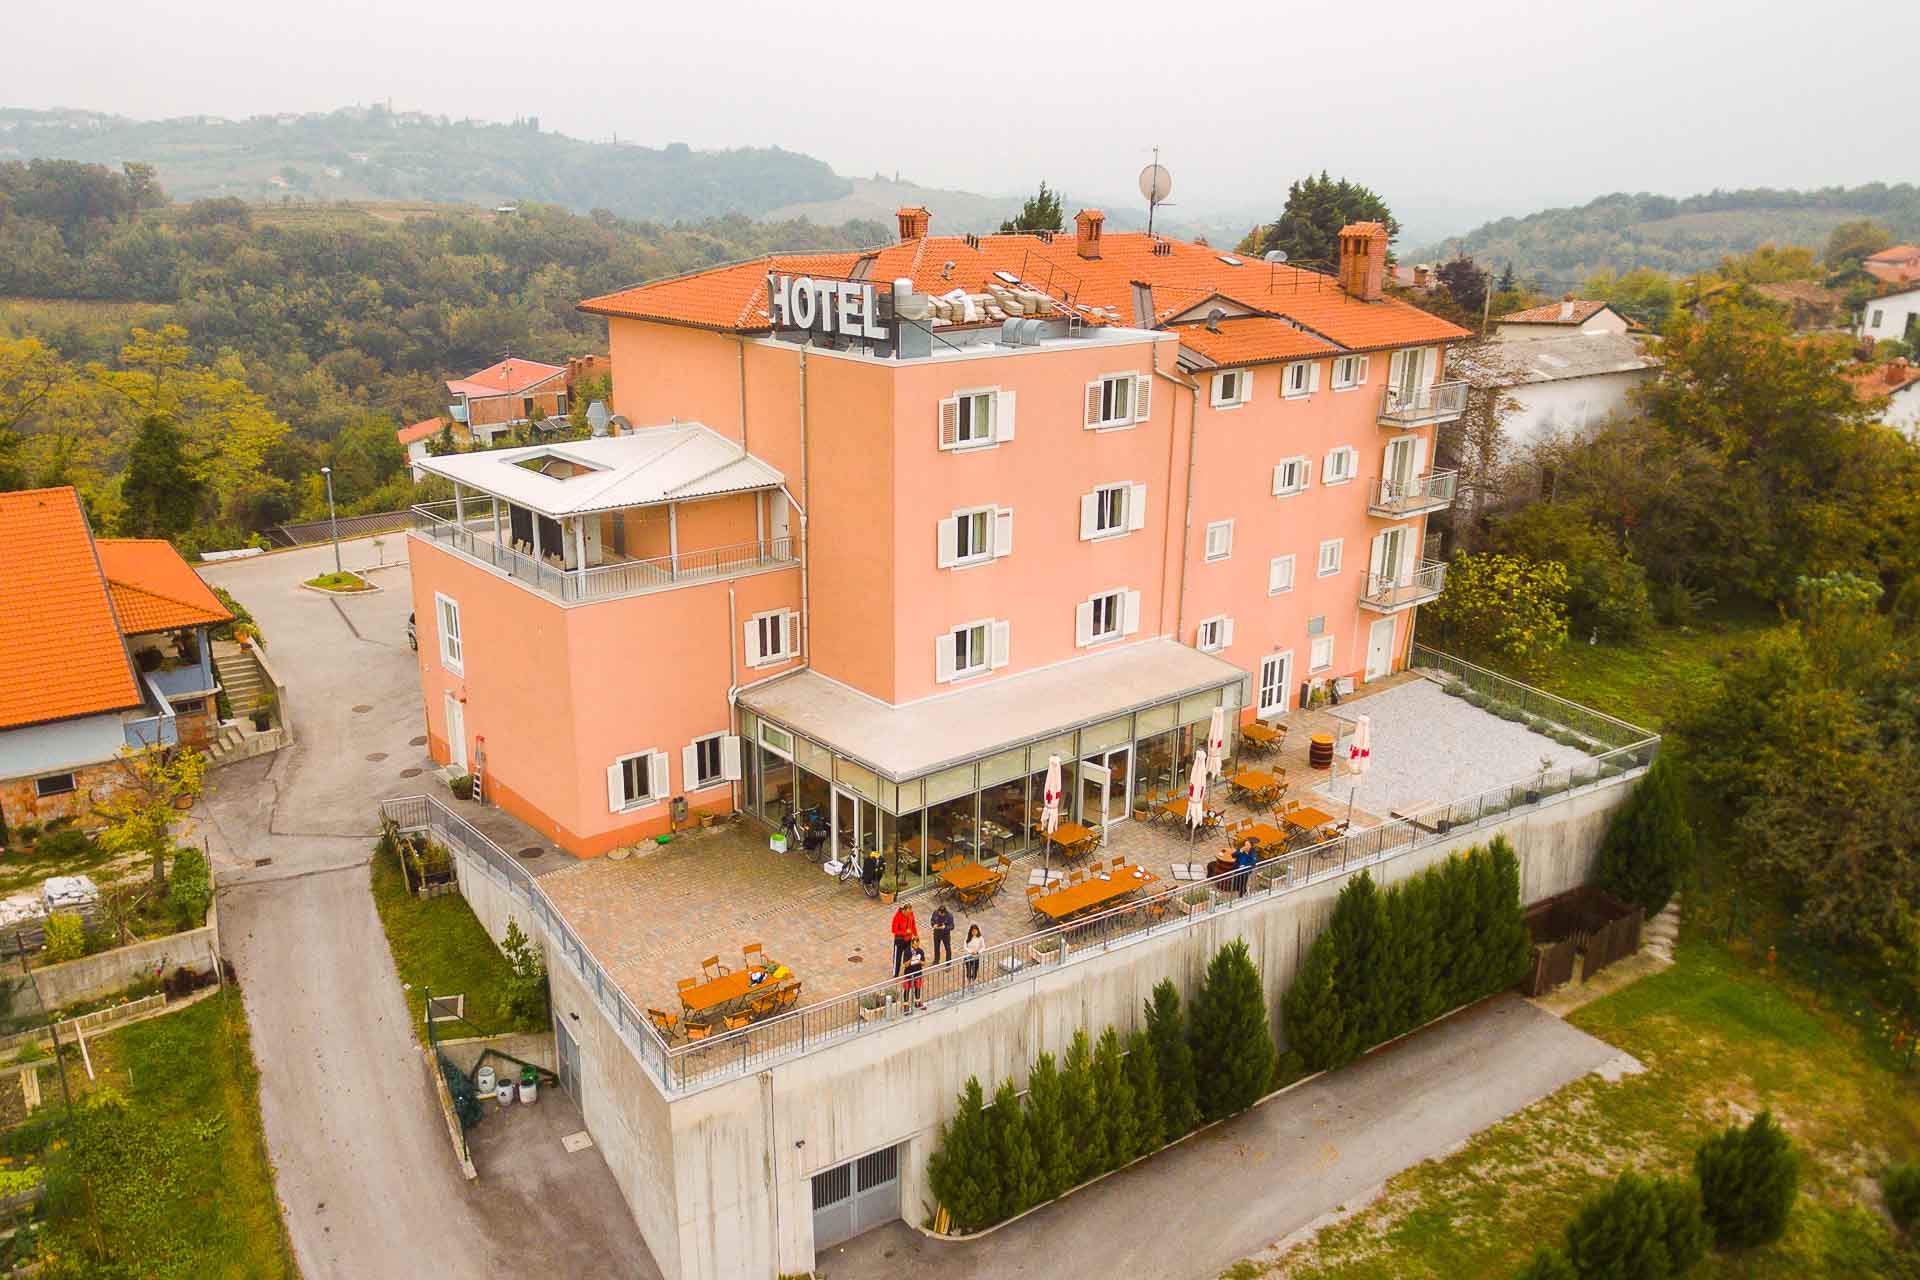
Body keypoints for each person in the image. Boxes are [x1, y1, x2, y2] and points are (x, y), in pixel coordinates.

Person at [890, 903, 918, 976]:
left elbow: (913, 924)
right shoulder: (897, 916)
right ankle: (895, 973)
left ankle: (908, 972)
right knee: (897, 958)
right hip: (899, 941)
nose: (909, 914)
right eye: (908, 913)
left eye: (910, 912)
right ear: (904, 911)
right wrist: (905, 932)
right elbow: (894, 930)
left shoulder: (911, 914)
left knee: (908, 956)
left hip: (908, 940)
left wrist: (916, 934)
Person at [902, 943, 926, 1011]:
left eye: (917, 944)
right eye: (915, 944)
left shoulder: (920, 951)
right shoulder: (907, 951)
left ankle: (917, 1002)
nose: (916, 946)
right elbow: (905, 965)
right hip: (908, 973)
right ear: (912, 943)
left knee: (918, 988)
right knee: (906, 989)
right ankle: (906, 1006)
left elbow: (924, 963)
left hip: (917, 973)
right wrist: (911, 959)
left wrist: (919, 961)